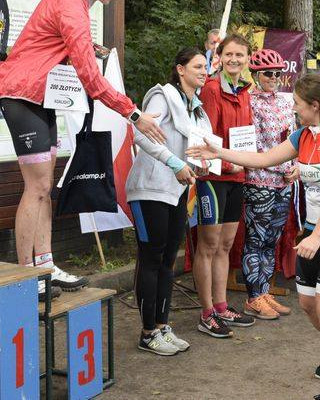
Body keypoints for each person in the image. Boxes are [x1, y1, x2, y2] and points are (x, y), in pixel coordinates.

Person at [188, 73, 320, 400]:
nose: (295, 111)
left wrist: (318, 236)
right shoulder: (304, 135)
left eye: (299, 106)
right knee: (308, 304)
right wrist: (218, 152)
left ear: (315, 105)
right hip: (316, 230)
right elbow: (262, 159)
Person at [0, 0, 165, 295]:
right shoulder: (71, 6)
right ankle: (25, 275)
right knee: (37, 186)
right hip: (21, 93)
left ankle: (45, 265)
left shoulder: (72, 7)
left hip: (40, 96)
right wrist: (133, 114)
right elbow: (92, 80)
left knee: (44, 186)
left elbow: (47, 45)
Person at [126, 47, 208, 356]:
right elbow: (142, 136)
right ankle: (147, 333)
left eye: (206, 66)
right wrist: (175, 163)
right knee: (151, 258)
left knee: (167, 260)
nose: (203, 71)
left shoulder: (195, 107)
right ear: (181, 69)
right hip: (149, 190)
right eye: (197, 66)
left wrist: (202, 164)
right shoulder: (162, 96)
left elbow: (199, 147)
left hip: (177, 192)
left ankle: (161, 325)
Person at [193, 33, 256, 338]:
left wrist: (246, 162)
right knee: (208, 245)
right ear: (219, 57)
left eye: (239, 56)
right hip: (213, 178)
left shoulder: (244, 90)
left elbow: (245, 136)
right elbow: (205, 141)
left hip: (237, 177)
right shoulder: (211, 88)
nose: (234, 60)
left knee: (227, 244)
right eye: (228, 55)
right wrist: (231, 163)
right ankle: (206, 313)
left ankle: (221, 305)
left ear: (247, 59)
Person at [241, 49, 295, 320]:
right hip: (259, 179)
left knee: (272, 239)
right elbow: (253, 145)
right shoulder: (249, 102)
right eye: (268, 74)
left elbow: (295, 138)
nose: (274, 78)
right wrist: (275, 166)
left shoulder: (287, 102)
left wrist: (294, 166)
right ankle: (253, 297)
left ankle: (264, 290)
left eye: (277, 73)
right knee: (256, 238)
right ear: (256, 75)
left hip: (285, 180)